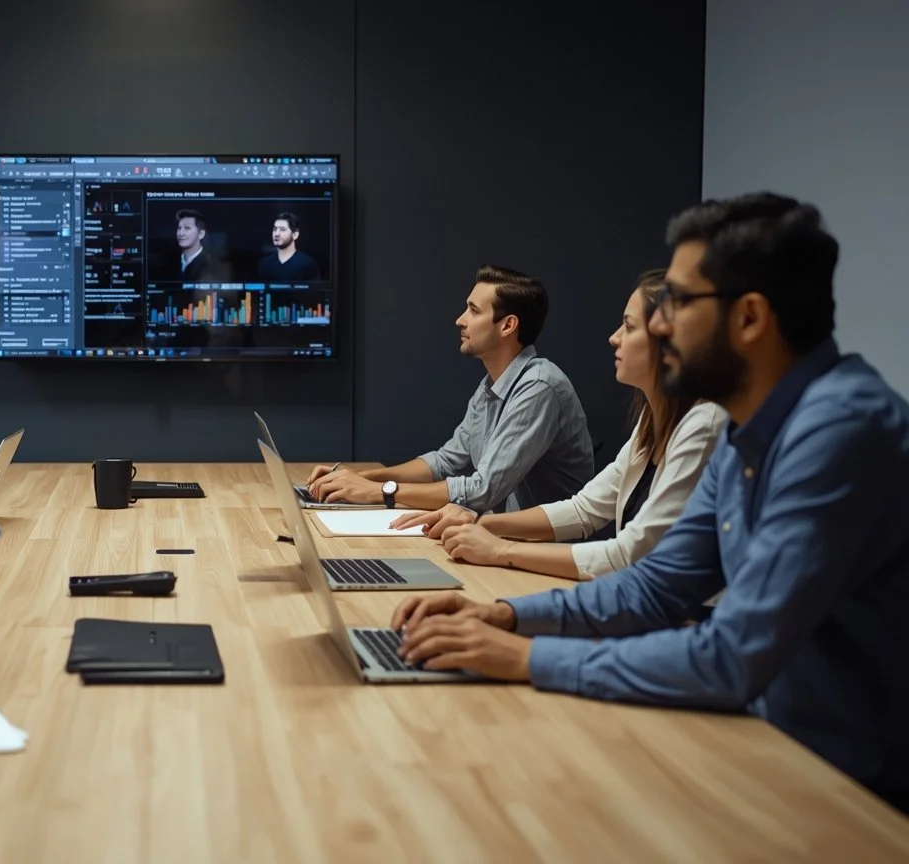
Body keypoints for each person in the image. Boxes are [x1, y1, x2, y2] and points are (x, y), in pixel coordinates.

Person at [390, 193, 909, 814]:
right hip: (774, 751)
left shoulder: (838, 432)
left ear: (749, 319)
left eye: (680, 305)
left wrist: (528, 657)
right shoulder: (755, 428)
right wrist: (506, 617)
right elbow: (655, 586)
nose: (660, 327)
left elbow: (731, 657)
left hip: (855, 796)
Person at [392, 270, 726, 580]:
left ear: (670, 343)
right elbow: (584, 509)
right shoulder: (653, 421)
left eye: (629, 326)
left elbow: (629, 555)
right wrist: (482, 523)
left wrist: (500, 547)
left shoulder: (703, 426)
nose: (614, 338)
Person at [307, 266, 594, 513]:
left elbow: (483, 490)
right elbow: (445, 461)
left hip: (541, 558)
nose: (460, 320)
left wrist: (381, 491)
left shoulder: (538, 387)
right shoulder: (490, 387)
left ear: (508, 325)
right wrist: (360, 478)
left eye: (473, 310)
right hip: (504, 542)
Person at [257, 212, 321, 281]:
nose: (276, 234)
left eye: (282, 229)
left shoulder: (308, 263)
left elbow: (315, 291)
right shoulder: (265, 263)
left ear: (295, 235)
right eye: (275, 229)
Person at [171, 209, 227, 282]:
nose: (180, 233)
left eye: (187, 228)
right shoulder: (170, 263)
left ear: (201, 234)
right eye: (179, 228)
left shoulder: (213, 264)